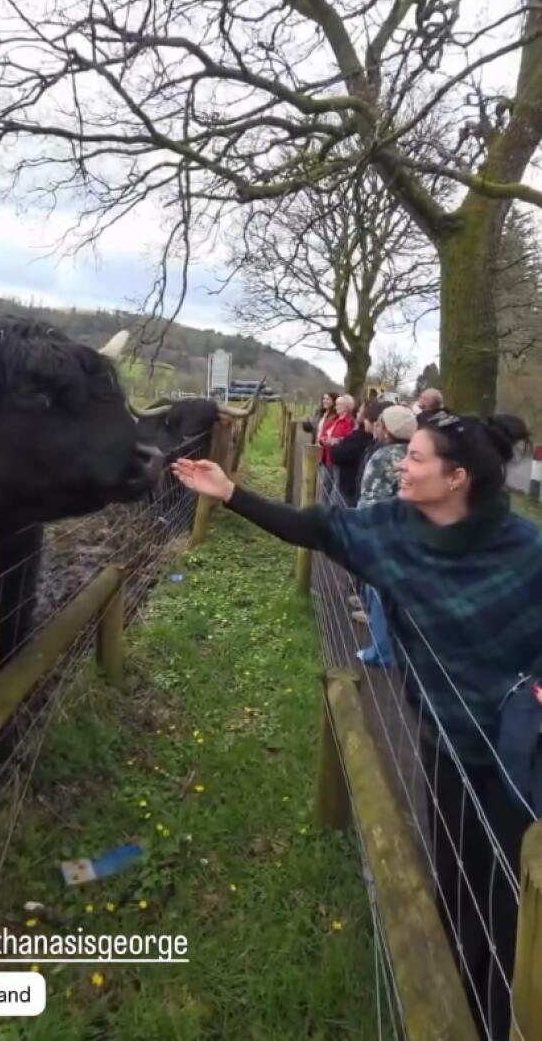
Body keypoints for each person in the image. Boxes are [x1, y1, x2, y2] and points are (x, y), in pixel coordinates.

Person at [172, 412, 541, 1041]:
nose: (402, 463)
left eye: (417, 458)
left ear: (456, 479)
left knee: (515, 889)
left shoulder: (526, 548)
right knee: (456, 876)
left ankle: (506, 1009)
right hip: (445, 737)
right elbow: (315, 527)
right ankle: (456, 1004)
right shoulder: (390, 532)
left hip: (521, 743)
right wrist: (231, 492)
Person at [354, 404, 417, 661]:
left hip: (382, 533)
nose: (376, 427)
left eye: (380, 424)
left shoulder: (383, 457)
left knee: (378, 590)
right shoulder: (414, 454)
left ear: (388, 430)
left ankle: (380, 651)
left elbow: (371, 498)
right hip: (410, 532)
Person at [328, 403, 372, 506]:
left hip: (349, 485)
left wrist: (334, 446)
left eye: (360, 412)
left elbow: (341, 454)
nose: (357, 414)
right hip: (349, 481)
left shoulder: (360, 436)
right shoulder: (361, 435)